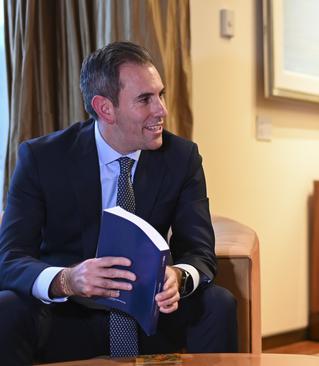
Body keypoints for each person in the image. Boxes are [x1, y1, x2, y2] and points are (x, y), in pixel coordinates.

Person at [0, 41, 238, 364]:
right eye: (145, 99)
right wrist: (67, 279)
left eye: (160, 95)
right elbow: (10, 258)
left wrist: (178, 277)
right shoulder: (42, 158)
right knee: (7, 308)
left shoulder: (182, 158)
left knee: (218, 304)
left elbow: (200, 252)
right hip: (69, 315)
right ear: (105, 108)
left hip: (151, 312)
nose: (161, 110)